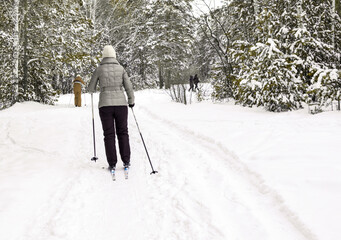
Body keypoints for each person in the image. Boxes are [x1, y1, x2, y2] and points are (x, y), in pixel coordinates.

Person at [88, 45, 135, 172]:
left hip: (105, 106)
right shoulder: (121, 69)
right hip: (121, 105)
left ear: (103, 56)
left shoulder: (99, 69)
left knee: (109, 135)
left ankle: (112, 163)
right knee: (123, 132)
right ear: (114, 55)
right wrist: (131, 101)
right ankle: (126, 160)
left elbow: (90, 88)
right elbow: (128, 87)